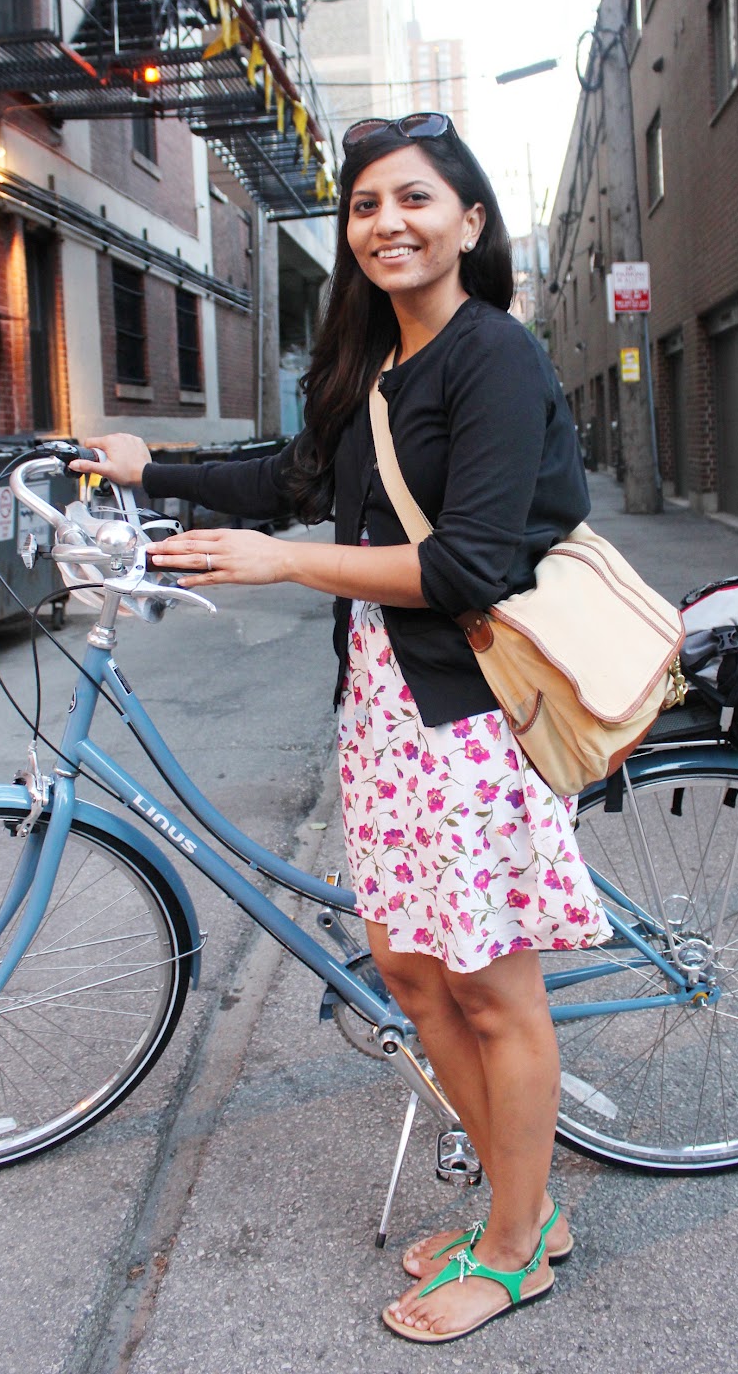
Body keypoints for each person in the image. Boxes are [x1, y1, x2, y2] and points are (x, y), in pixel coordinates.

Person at [75, 112, 610, 1345]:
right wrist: (144, 463)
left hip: (471, 716)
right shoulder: (377, 365)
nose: (387, 224)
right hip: (382, 709)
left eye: (413, 200)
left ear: (469, 222)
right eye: (366, 206)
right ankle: (519, 1207)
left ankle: (519, 1247)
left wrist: (286, 565)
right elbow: (292, 473)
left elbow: (469, 562)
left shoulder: (493, 359)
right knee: (417, 978)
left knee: (491, 989)